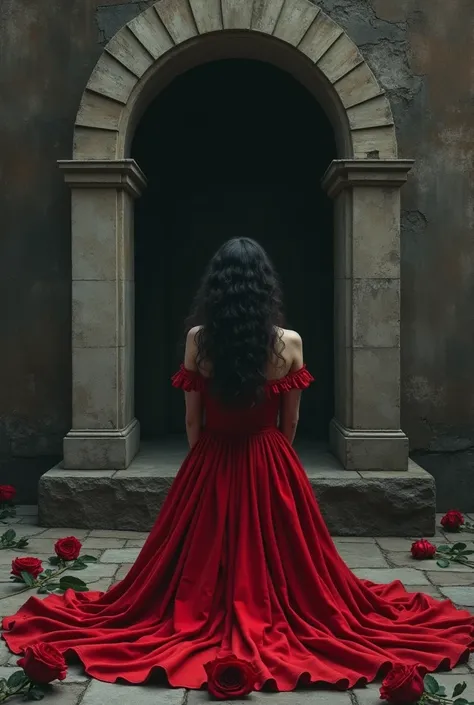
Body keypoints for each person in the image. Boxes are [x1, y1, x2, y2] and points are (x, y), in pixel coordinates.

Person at [2, 238, 473, 693]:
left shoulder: (198, 340)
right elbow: (289, 423)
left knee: (194, 552)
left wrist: (201, 465)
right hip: (268, 454)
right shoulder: (289, 343)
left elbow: (193, 419)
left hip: (212, 452)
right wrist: (276, 462)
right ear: (265, 288)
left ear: (217, 288)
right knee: (290, 555)